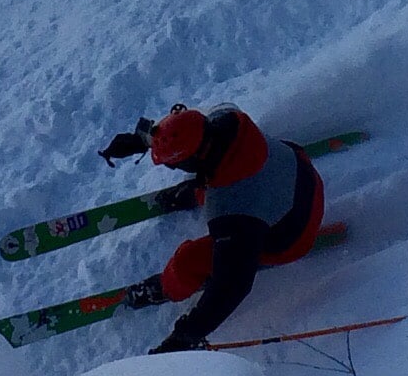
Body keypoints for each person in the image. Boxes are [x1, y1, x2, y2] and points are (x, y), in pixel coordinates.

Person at [128, 105, 324, 352]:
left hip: (295, 234)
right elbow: (180, 133)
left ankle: (165, 287)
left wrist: (186, 335)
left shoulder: (233, 211)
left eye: (173, 165)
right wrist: (149, 137)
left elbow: (232, 286)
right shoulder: (228, 121)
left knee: (188, 260)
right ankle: (196, 191)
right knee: (223, 176)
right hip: (298, 169)